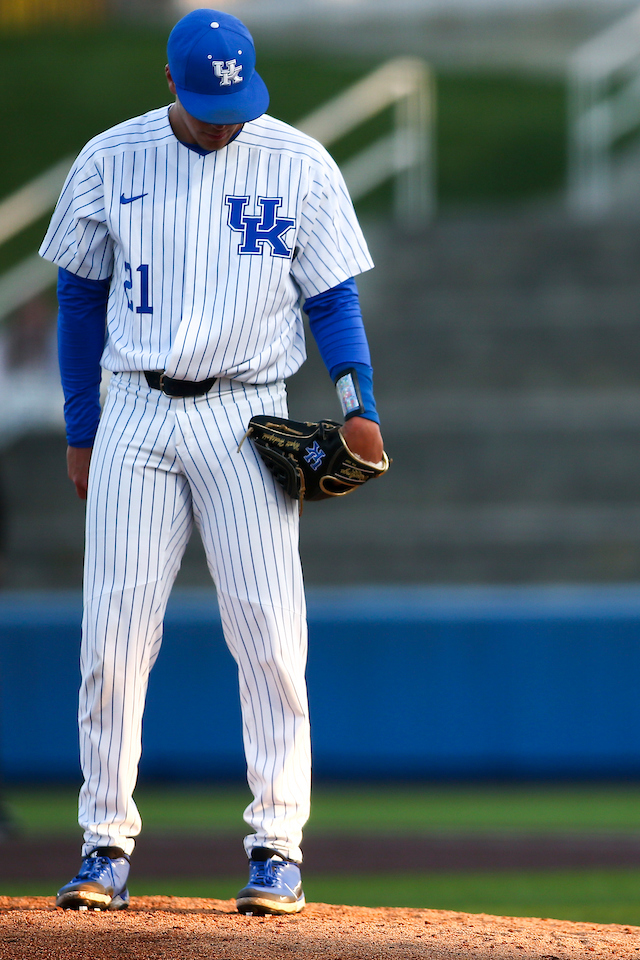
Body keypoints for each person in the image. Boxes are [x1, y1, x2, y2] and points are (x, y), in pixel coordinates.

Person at [41, 8, 384, 915]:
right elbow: (78, 308)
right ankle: (104, 842)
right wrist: (83, 428)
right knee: (112, 639)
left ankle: (279, 847)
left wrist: (361, 408)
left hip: (247, 411)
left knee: (270, 635)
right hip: (138, 410)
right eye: (204, 103)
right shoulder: (110, 160)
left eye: (235, 101)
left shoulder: (299, 161)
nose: (223, 119)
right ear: (169, 84)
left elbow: (335, 303)